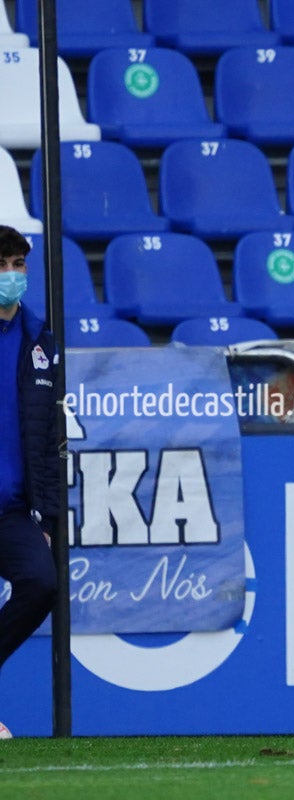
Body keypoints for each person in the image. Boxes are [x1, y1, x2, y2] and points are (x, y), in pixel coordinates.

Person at [0, 225, 59, 739]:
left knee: (42, 583)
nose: (12, 274)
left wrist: (49, 515)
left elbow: (51, 439)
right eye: (4, 264)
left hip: (14, 511)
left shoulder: (39, 338)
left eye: (19, 264)